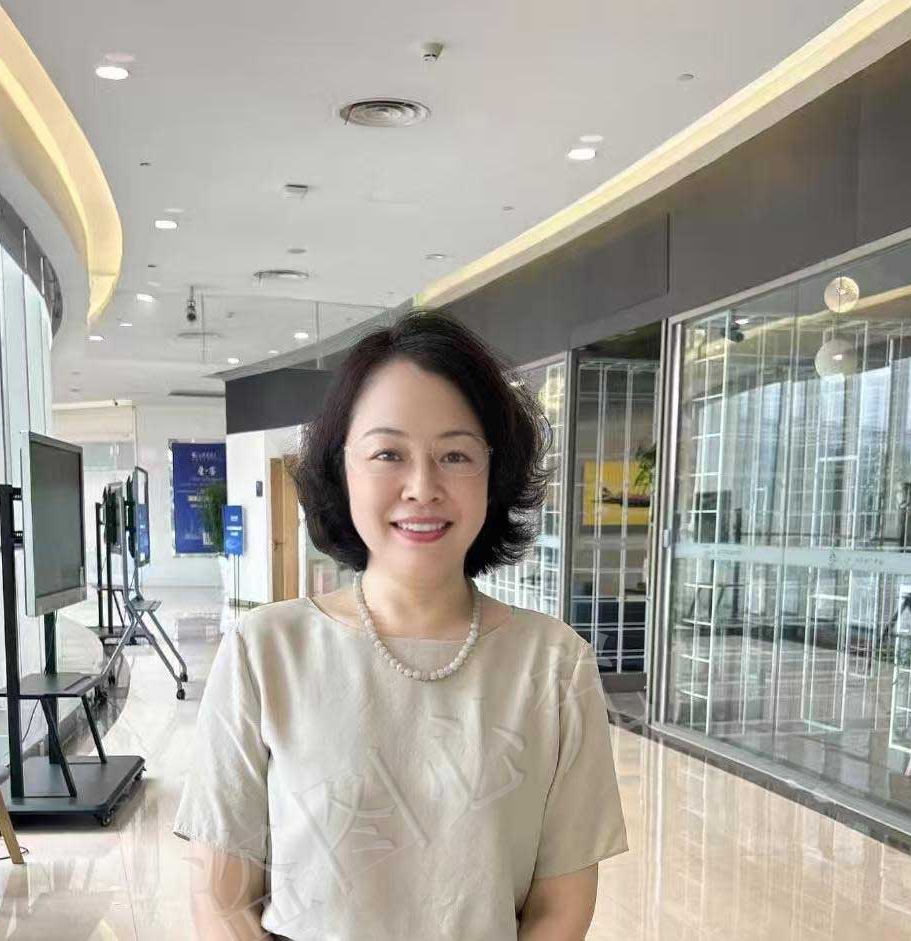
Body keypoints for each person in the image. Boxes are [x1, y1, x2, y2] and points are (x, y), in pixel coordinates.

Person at [175, 312, 627, 939]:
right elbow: (222, 899)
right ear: (342, 468)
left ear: (494, 475)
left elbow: (562, 902)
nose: (422, 486)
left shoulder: (554, 664)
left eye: (455, 455)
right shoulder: (265, 651)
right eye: (388, 453)